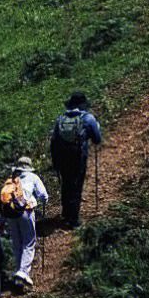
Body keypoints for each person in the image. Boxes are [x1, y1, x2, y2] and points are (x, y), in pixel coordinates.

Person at [50, 92, 102, 228]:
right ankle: (73, 220)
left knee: (66, 184)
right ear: (83, 104)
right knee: (76, 185)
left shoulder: (61, 119)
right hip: (78, 156)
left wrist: (55, 160)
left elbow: (54, 141)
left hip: (62, 157)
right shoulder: (88, 118)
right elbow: (97, 139)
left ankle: (65, 213)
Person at [0, 155, 48, 291]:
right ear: (29, 168)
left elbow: (4, 202)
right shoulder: (33, 178)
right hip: (26, 212)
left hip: (11, 216)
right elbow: (44, 196)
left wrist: (1, 222)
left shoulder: (10, 180)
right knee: (29, 242)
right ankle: (23, 272)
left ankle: (18, 274)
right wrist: (39, 201)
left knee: (17, 243)